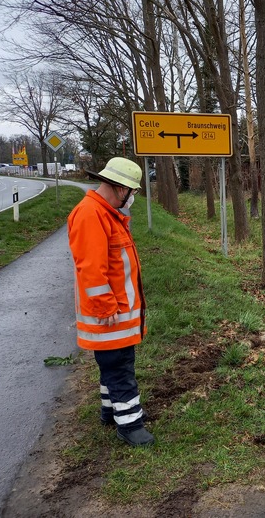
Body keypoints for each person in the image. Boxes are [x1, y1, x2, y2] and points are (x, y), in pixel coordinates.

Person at [67, 157, 154, 447]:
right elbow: (91, 269)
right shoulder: (91, 215)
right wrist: (105, 307)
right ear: (120, 189)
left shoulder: (106, 213)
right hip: (109, 316)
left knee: (111, 366)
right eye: (133, 192)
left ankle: (111, 411)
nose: (133, 199)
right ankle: (130, 426)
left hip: (116, 315)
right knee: (119, 368)